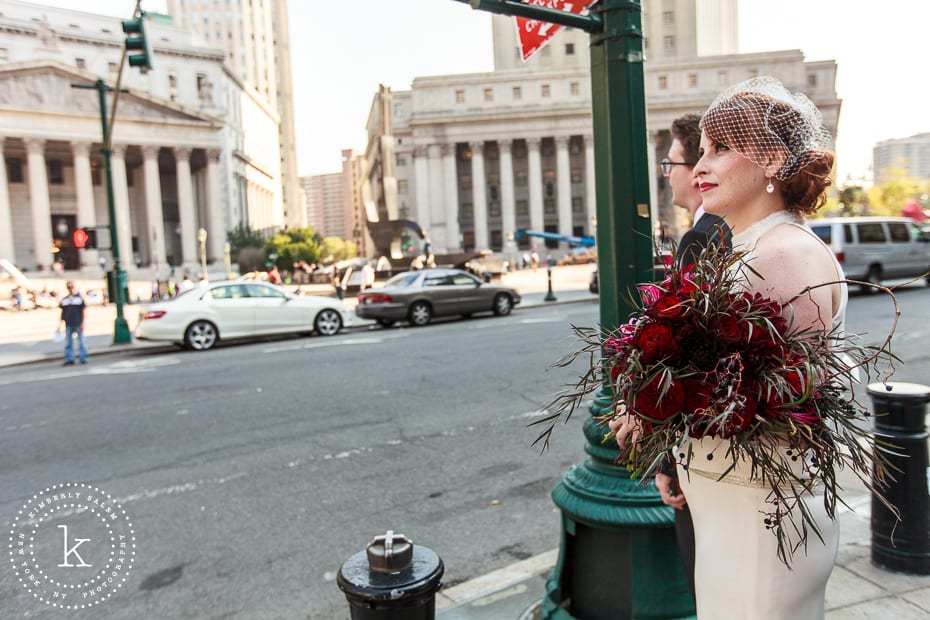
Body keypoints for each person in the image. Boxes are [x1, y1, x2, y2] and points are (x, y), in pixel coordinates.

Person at [611, 76, 841, 618]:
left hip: (759, 517)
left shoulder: (781, 253)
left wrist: (650, 406)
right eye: (703, 151)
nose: (700, 167)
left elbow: (778, 397)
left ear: (771, 161)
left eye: (720, 150)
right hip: (735, 504)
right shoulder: (751, 247)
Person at [654, 112, 732, 602]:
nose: (670, 173)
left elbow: (691, 362)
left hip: (706, 454)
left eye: (672, 162)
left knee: (710, 586)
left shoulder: (702, 238)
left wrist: (667, 459)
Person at [59, 280, 87, 365]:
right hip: (68, 323)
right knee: (68, 343)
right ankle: (70, 358)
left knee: (82, 342)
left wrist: (82, 323)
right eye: (68, 287)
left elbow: (83, 311)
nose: (70, 288)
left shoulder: (79, 299)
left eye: (71, 287)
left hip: (78, 322)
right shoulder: (65, 299)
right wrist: (60, 323)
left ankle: (83, 358)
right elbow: (62, 312)